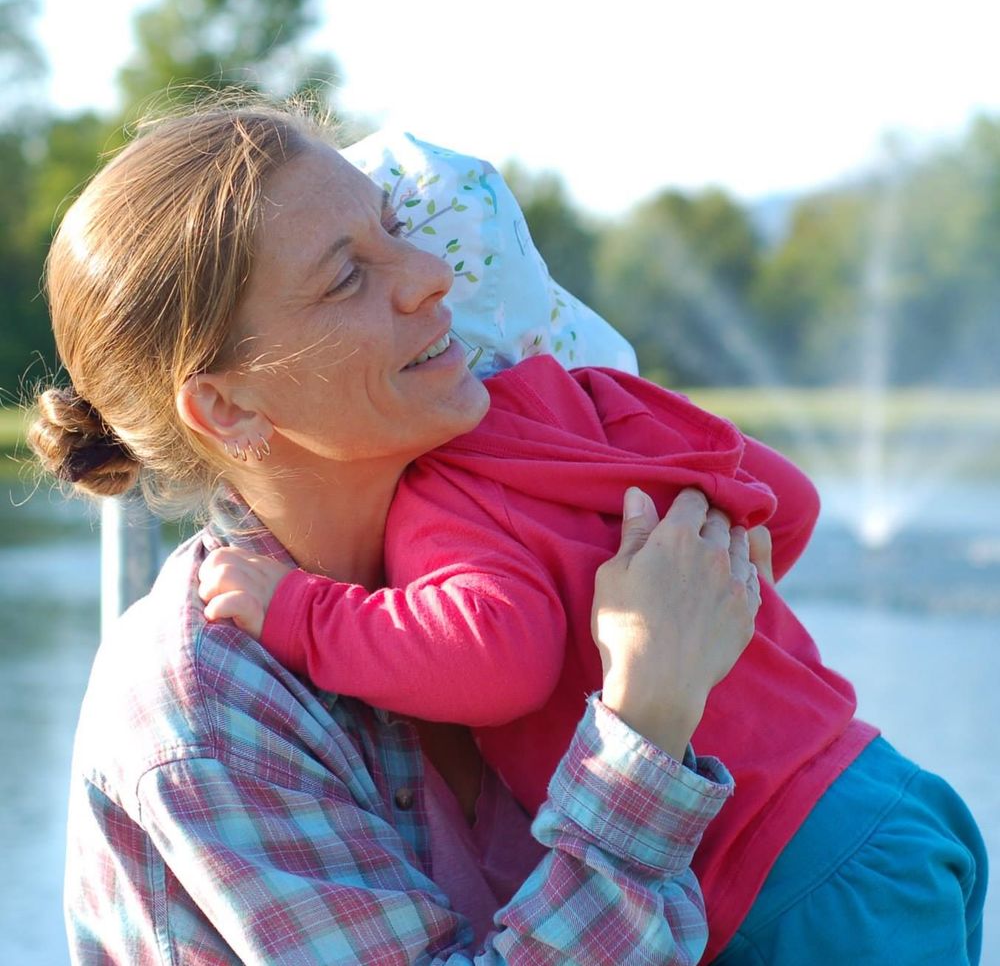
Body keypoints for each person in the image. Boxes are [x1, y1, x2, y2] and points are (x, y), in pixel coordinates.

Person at [198, 134, 990, 963]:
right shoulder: (609, 401)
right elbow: (787, 503)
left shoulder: (447, 481)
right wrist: (716, 600)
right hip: (880, 791)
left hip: (784, 871)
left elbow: (498, 662)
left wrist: (301, 612)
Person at [30, 101, 760, 965]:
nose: (430, 273)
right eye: (348, 278)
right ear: (227, 406)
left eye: (394, 229)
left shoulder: (521, 555)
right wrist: (647, 723)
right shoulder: (204, 713)